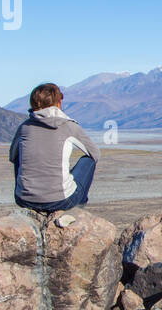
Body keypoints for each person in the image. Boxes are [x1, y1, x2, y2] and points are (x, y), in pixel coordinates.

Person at [9, 83, 100, 215]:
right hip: (62, 201)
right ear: (58, 102)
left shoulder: (24, 127)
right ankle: (77, 209)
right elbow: (95, 154)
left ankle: (28, 191)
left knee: (19, 155)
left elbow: (13, 156)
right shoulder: (69, 126)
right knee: (89, 160)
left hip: (24, 200)